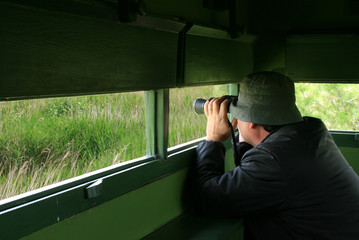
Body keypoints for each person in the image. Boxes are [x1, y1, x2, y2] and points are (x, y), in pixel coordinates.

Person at [194, 71, 359, 239]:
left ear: (251, 123)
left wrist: (213, 140)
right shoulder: (311, 132)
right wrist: (244, 139)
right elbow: (258, 173)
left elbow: (211, 200)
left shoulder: (274, 160)